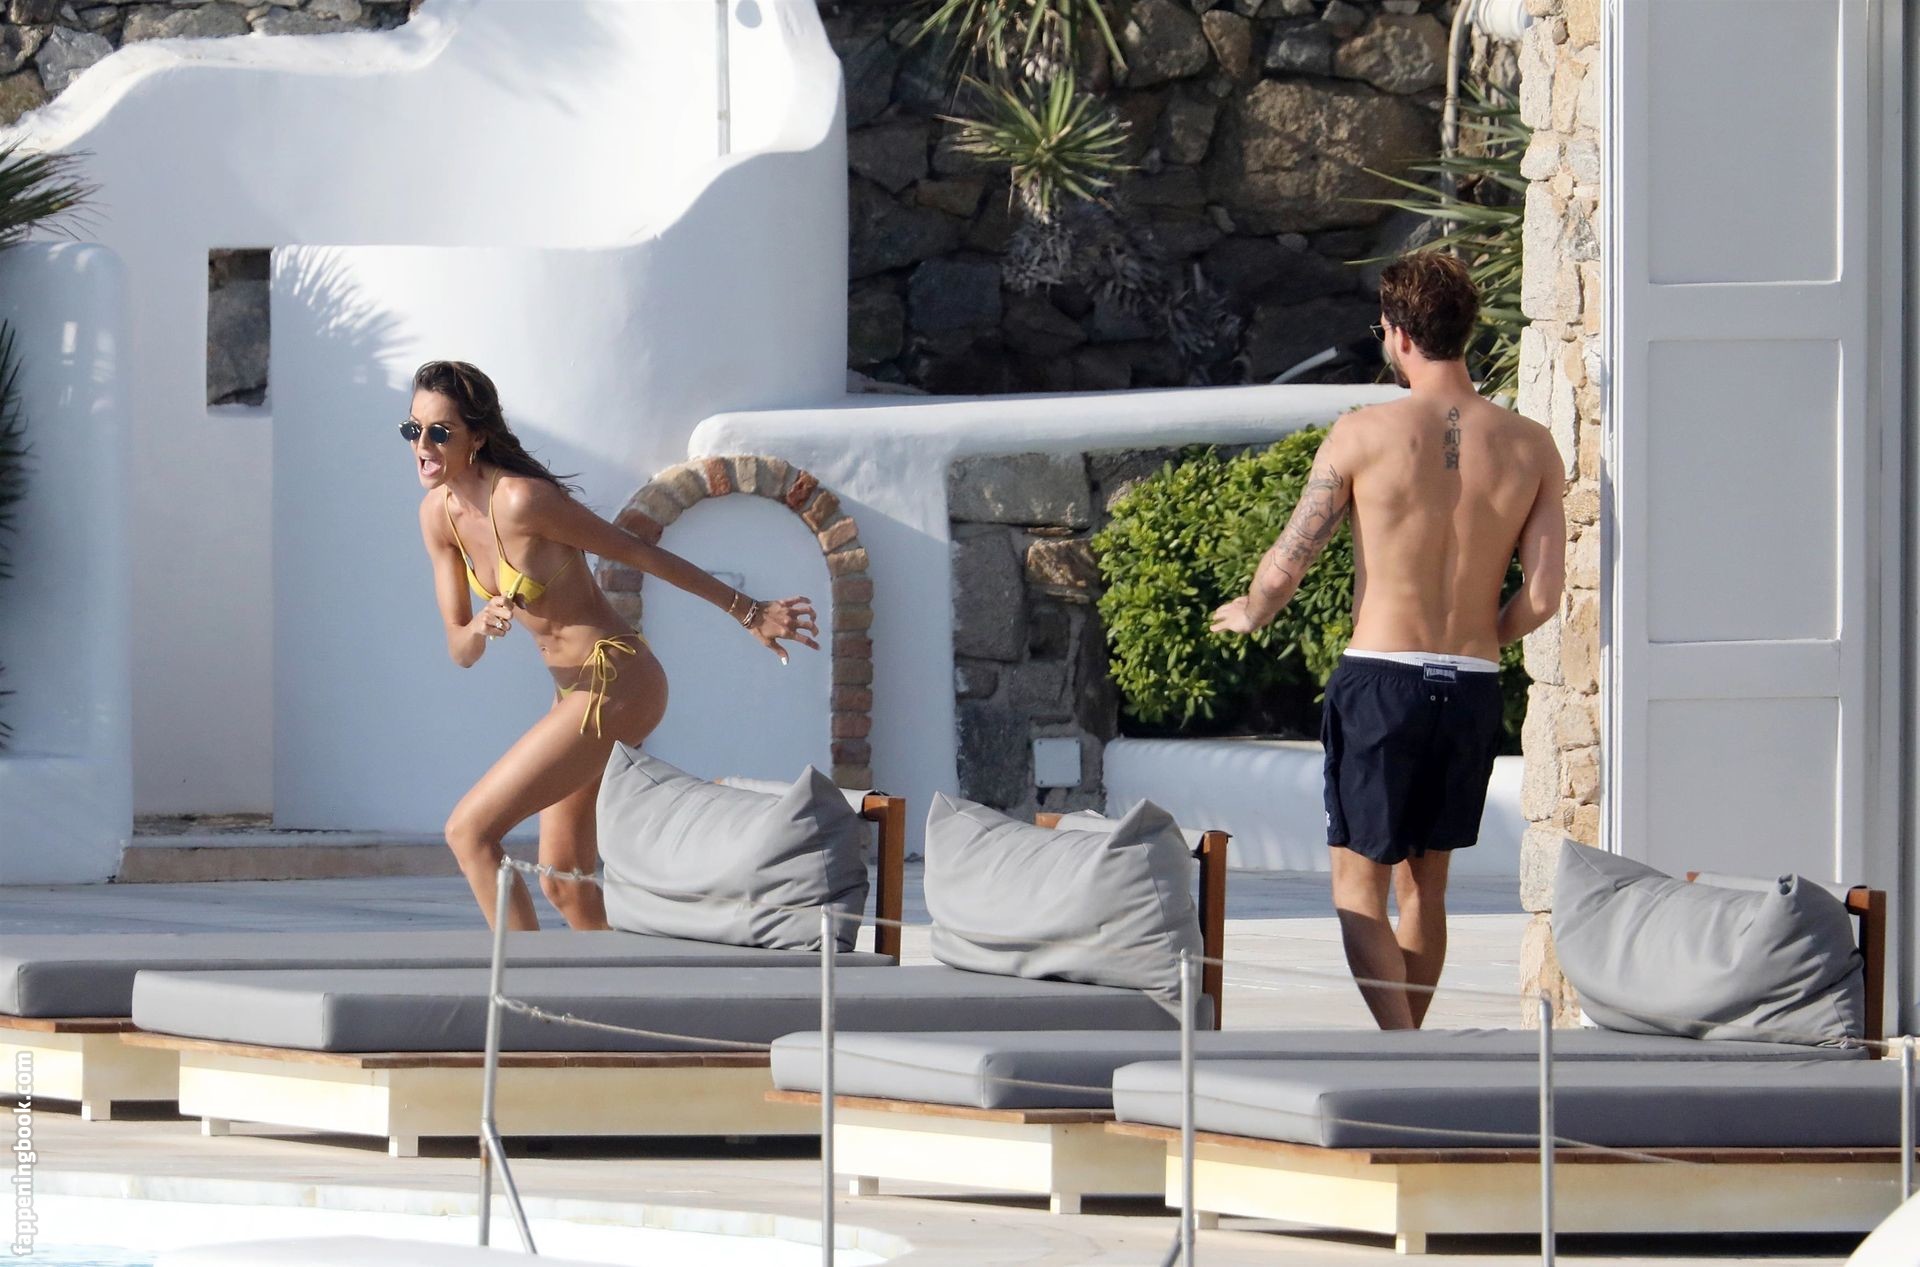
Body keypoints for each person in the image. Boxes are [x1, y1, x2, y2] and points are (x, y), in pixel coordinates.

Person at [1210, 253, 1566, 1029]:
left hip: (1382, 680)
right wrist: (1481, 640)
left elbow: (1288, 561)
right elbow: (1542, 595)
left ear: (1399, 335)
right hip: (1471, 686)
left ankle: (1403, 1050)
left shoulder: (1363, 432)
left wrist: (1251, 610)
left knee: (1357, 889)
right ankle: (1412, 1046)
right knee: (1425, 890)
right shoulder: (1531, 444)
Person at [407, 360, 818, 931]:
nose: (422, 446)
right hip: (572, 695)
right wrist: (479, 626)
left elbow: (639, 553)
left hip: (619, 681)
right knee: (564, 881)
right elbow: (460, 650)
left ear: (476, 437)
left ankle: (522, 984)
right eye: (413, 430)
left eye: (439, 432)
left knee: (469, 832)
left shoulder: (523, 501)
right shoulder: (438, 518)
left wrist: (750, 611)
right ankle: (614, 978)